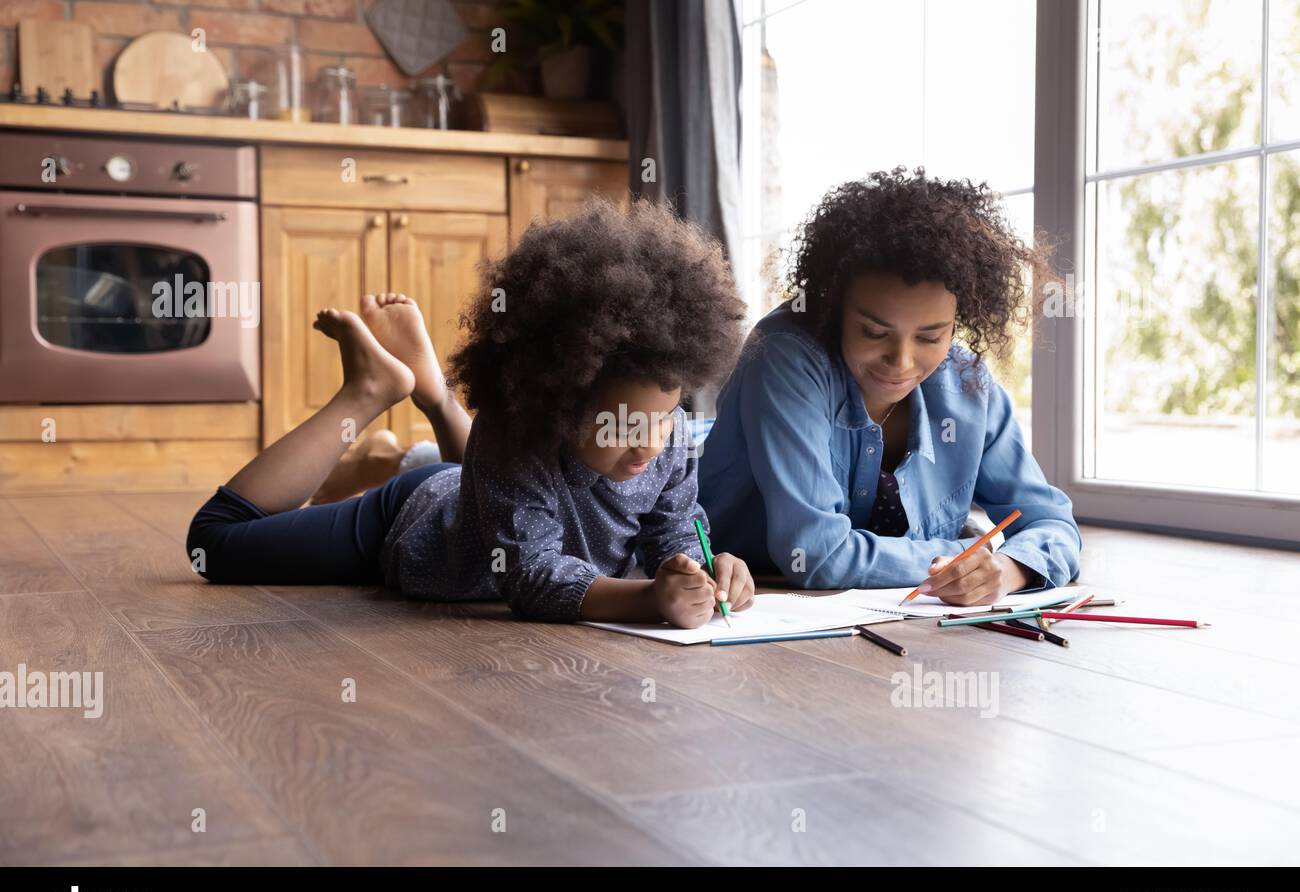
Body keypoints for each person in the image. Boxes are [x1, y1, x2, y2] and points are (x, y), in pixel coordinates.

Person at [186, 200, 755, 627]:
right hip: (421, 520)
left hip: (487, 488)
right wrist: (647, 599)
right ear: (555, 399)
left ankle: (434, 394)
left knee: (496, 482)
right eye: (624, 425)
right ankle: (367, 391)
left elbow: (674, 532)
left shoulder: (668, 437)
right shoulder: (515, 430)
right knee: (214, 544)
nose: (649, 445)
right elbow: (528, 574)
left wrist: (703, 569)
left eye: (664, 419)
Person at [698, 168, 1081, 605]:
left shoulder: (968, 384)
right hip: (747, 599)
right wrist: (964, 554)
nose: (900, 362)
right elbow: (817, 556)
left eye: (931, 337)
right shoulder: (785, 358)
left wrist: (1008, 570)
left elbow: (1052, 524)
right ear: (834, 307)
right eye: (874, 333)